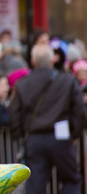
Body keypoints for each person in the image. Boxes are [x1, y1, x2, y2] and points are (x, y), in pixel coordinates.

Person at [9, 44, 85, 194]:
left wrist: (21, 136)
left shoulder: (23, 84)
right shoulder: (67, 81)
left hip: (34, 139)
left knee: (35, 185)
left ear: (32, 61)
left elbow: (14, 114)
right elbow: (79, 110)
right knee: (72, 179)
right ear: (52, 59)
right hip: (61, 137)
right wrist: (74, 134)